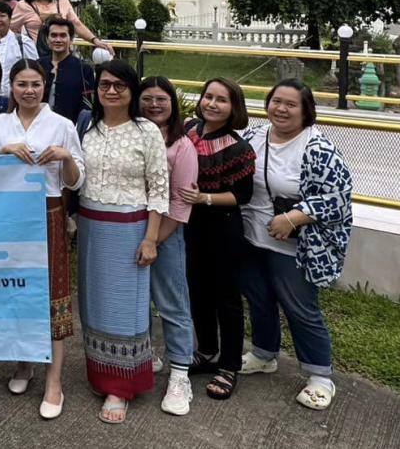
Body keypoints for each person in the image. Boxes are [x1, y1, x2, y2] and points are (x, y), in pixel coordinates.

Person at [239, 80, 352, 411]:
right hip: (251, 236)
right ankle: (264, 353)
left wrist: (293, 218)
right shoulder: (254, 137)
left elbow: (338, 198)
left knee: (300, 307)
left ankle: (320, 376)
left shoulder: (318, 149)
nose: (281, 109)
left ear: (306, 111)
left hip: (294, 245)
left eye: (291, 104)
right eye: (276, 101)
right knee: (258, 299)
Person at [0, 59, 85, 419]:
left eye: (35, 84)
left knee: (53, 293)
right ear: (10, 87)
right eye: (21, 84)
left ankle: (54, 380)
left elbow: (75, 181)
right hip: (10, 215)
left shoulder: (61, 125)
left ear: (46, 86)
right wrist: (3, 152)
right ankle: (23, 363)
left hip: (48, 212)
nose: (29, 91)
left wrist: (65, 156)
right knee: (15, 290)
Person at [77, 59, 168, 424]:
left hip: (129, 227)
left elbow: (159, 188)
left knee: (124, 307)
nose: (111, 91)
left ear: (132, 90)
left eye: (119, 85)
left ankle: (122, 386)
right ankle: (99, 373)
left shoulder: (146, 130)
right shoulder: (88, 127)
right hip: (89, 225)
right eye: (104, 85)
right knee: (94, 303)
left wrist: (151, 239)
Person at [184, 77, 255, 401]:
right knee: (197, 289)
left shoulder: (239, 148)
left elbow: (242, 196)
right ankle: (207, 350)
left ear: (233, 107)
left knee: (226, 297)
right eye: (208, 96)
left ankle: (229, 366)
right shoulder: (189, 132)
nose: (212, 103)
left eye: (221, 100)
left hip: (223, 226)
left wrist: (205, 200)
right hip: (190, 225)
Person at [139, 76, 199, 416]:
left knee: (172, 303)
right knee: (137, 301)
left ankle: (180, 373)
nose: (154, 105)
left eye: (161, 99)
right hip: (131, 232)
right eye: (147, 98)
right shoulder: (132, 134)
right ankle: (148, 356)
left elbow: (180, 203)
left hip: (166, 235)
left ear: (172, 104)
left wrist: (155, 240)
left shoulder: (181, 146)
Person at [38, 18, 96, 123]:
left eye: (63, 35)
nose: (58, 40)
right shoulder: (38, 66)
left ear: (71, 39)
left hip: (71, 128)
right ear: (47, 39)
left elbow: (87, 105)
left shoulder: (84, 69)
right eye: (54, 35)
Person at [0, 0, 38, 94]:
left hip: (17, 98)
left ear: (10, 19)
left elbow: (35, 71)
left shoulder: (23, 42)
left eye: (2, 16)